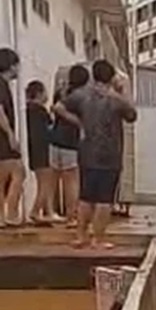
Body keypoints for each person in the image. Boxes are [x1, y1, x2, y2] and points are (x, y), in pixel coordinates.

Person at [56, 60, 136, 249]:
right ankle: (97, 239)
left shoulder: (82, 95)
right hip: (110, 155)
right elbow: (132, 115)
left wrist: (79, 123)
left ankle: (81, 236)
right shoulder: (116, 99)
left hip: (87, 152)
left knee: (86, 197)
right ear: (112, 77)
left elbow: (58, 107)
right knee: (104, 199)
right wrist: (124, 90)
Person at [50, 64, 89, 225]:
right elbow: (59, 110)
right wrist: (80, 124)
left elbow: (54, 109)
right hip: (70, 142)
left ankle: (49, 211)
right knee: (71, 181)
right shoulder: (81, 97)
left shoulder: (60, 92)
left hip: (55, 140)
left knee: (52, 180)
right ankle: (71, 216)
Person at [26, 80, 62, 224]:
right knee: (46, 182)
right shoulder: (40, 111)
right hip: (43, 149)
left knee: (43, 181)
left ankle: (49, 211)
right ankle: (35, 210)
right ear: (40, 94)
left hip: (33, 149)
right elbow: (49, 129)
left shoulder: (27, 110)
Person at [0, 47, 25, 227]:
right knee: (18, 172)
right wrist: (10, 134)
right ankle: (11, 213)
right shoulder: (1, 84)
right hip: (2, 136)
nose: (18, 69)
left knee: (3, 177)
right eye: (16, 65)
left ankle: (2, 216)